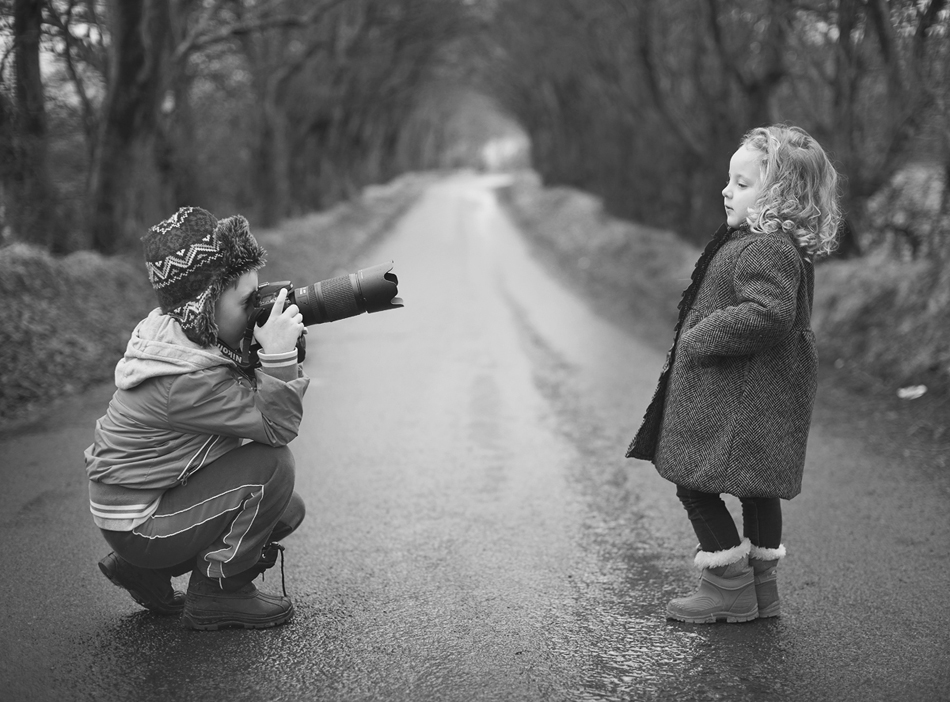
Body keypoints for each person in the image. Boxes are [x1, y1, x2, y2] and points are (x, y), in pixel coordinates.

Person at [626, 124, 841, 623]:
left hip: (743, 392)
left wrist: (700, 336)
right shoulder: (770, 241)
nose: (727, 190)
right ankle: (762, 589)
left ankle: (728, 586)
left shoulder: (764, 247)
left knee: (693, 481)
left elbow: (768, 312)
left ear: (780, 196)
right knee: (757, 485)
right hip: (760, 387)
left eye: (743, 184)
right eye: (730, 179)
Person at [84, 206, 309, 630]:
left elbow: (242, 394)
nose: (256, 310)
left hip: (135, 511)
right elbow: (277, 428)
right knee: (273, 469)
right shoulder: (186, 380)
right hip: (141, 523)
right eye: (247, 303)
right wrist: (277, 358)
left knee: (283, 510)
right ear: (203, 307)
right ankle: (220, 594)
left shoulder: (183, 340)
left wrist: (262, 355)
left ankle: (143, 572)